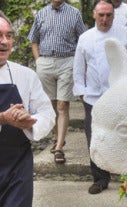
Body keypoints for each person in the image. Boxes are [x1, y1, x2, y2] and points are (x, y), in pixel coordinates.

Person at [0, 11, 55, 207]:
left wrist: (30, 121)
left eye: (8, 36)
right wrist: (2, 118)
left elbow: (48, 113)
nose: (4, 42)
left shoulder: (26, 76)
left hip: (16, 165)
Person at [73, 0, 127, 194]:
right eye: (101, 15)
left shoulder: (126, 34)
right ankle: (100, 178)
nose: (105, 19)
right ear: (94, 15)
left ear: (114, 16)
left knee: (125, 136)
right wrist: (80, 90)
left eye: (109, 15)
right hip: (93, 97)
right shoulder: (85, 38)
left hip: (120, 96)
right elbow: (79, 67)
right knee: (95, 138)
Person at [27, 0, 86, 164]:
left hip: (66, 62)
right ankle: (57, 137)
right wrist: (38, 60)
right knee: (50, 105)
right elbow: (34, 39)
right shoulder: (41, 13)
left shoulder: (74, 13)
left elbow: (83, 39)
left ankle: (59, 147)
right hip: (45, 62)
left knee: (62, 105)